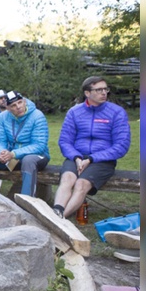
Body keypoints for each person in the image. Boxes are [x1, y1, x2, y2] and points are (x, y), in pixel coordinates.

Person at [52, 76, 131, 218]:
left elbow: (122, 145)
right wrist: (76, 157)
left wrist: (92, 158)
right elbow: (65, 141)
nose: (104, 93)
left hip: (102, 160)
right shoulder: (74, 112)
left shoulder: (117, 112)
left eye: (105, 89)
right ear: (87, 93)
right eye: (99, 89)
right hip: (76, 156)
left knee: (81, 184)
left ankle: (60, 220)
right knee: (67, 179)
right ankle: (56, 211)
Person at [0, 91, 50, 197]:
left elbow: (39, 145)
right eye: (13, 105)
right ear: (8, 108)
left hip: (38, 156)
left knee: (28, 161)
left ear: (24, 102)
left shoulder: (37, 116)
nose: (18, 107)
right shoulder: (2, 117)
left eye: (20, 102)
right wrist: (1, 152)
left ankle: (27, 203)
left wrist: (13, 154)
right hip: (12, 156)